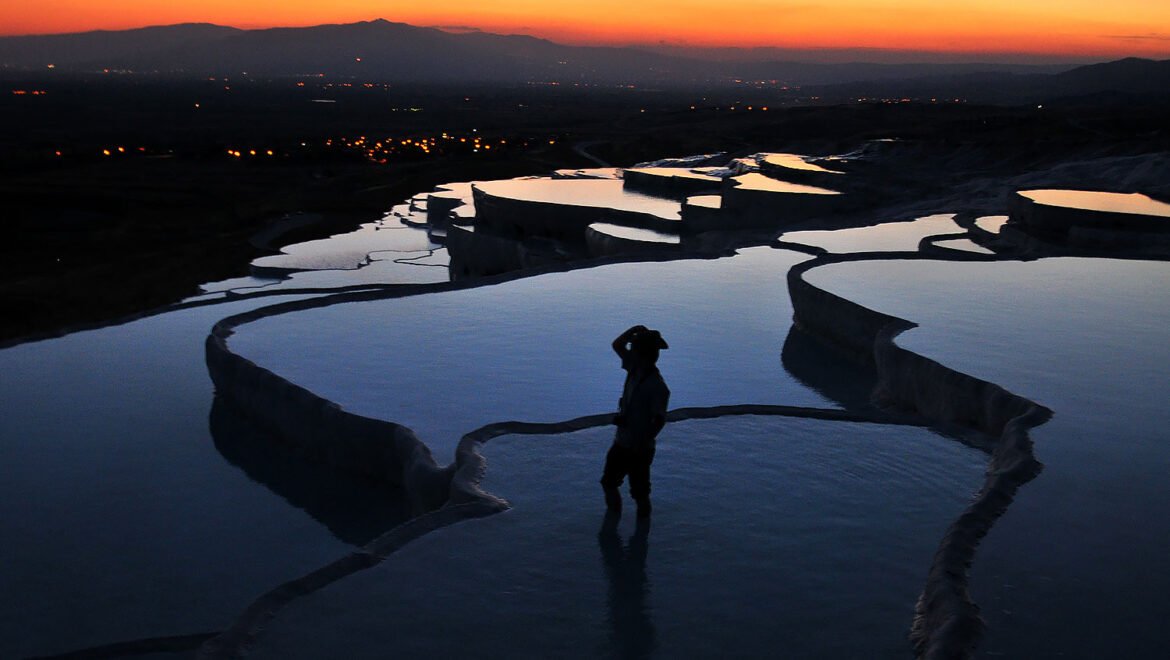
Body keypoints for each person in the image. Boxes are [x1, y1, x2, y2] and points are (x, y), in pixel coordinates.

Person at [601, 324, 670, 518]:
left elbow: (658, 421)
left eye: (634, 349)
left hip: (639, 449)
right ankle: (614, 518)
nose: (630, 352)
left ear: (642, 354)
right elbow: (617, 345)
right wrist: (633, 330)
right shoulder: (634, 368)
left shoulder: (657, 386)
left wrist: (640, 444)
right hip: (622, 442)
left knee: (640, 493)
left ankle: (641, 530)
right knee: (608, 483)